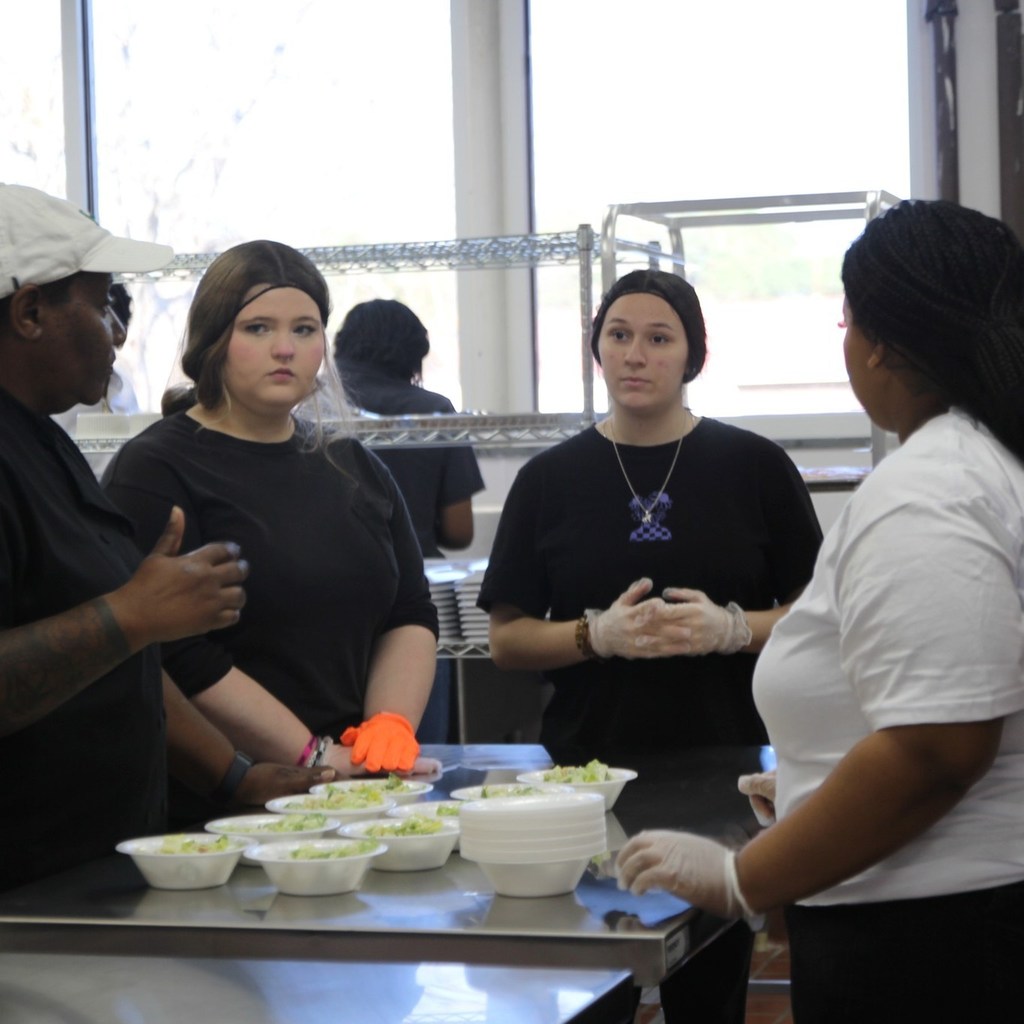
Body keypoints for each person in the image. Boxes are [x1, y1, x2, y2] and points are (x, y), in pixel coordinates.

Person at [615, 199, 1024, 1023]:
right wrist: (817, 769)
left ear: (878, 341)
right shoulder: (980, 461)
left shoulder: (930, 489)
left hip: (929, 938)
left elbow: (938, 748)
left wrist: (744, 877)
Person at [478, 268, 822, 1023]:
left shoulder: (755, 467)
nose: (636, 355)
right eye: (619, 336)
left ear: (694, 355)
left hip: (730, 773)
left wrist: (735, 629)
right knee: (586, 990)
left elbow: (818, 615)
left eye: (659, 339)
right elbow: (506, 639)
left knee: (710, 993)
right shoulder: (548, 480)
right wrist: (593, 635)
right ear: (596, 350)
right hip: (585, 778)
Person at [0, 183, 332, 891]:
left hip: (100, 865)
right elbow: (119, 632)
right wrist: (131, 615)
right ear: (30, 312)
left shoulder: (42, 442)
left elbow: (121, 666)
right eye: (101, 304)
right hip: (27, 888)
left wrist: (234, 775)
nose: (117, 333)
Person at [102, 241, 441, 819]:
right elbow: (174, 653)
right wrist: (313, 756)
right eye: (258, 328)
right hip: (223, 802)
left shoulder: (356, 467)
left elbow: (408, 611)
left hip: (356, 791)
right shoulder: (156, 470)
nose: (285, 349)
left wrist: (388, 728)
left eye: (305, 330)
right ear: (213, 342)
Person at [334, 298, 485, 742]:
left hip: (328, 597)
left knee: (326, 754)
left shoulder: (311, 408)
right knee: (409, 747)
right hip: (416, 593)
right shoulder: (434, 409)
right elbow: (460, 531)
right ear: (413, 354)